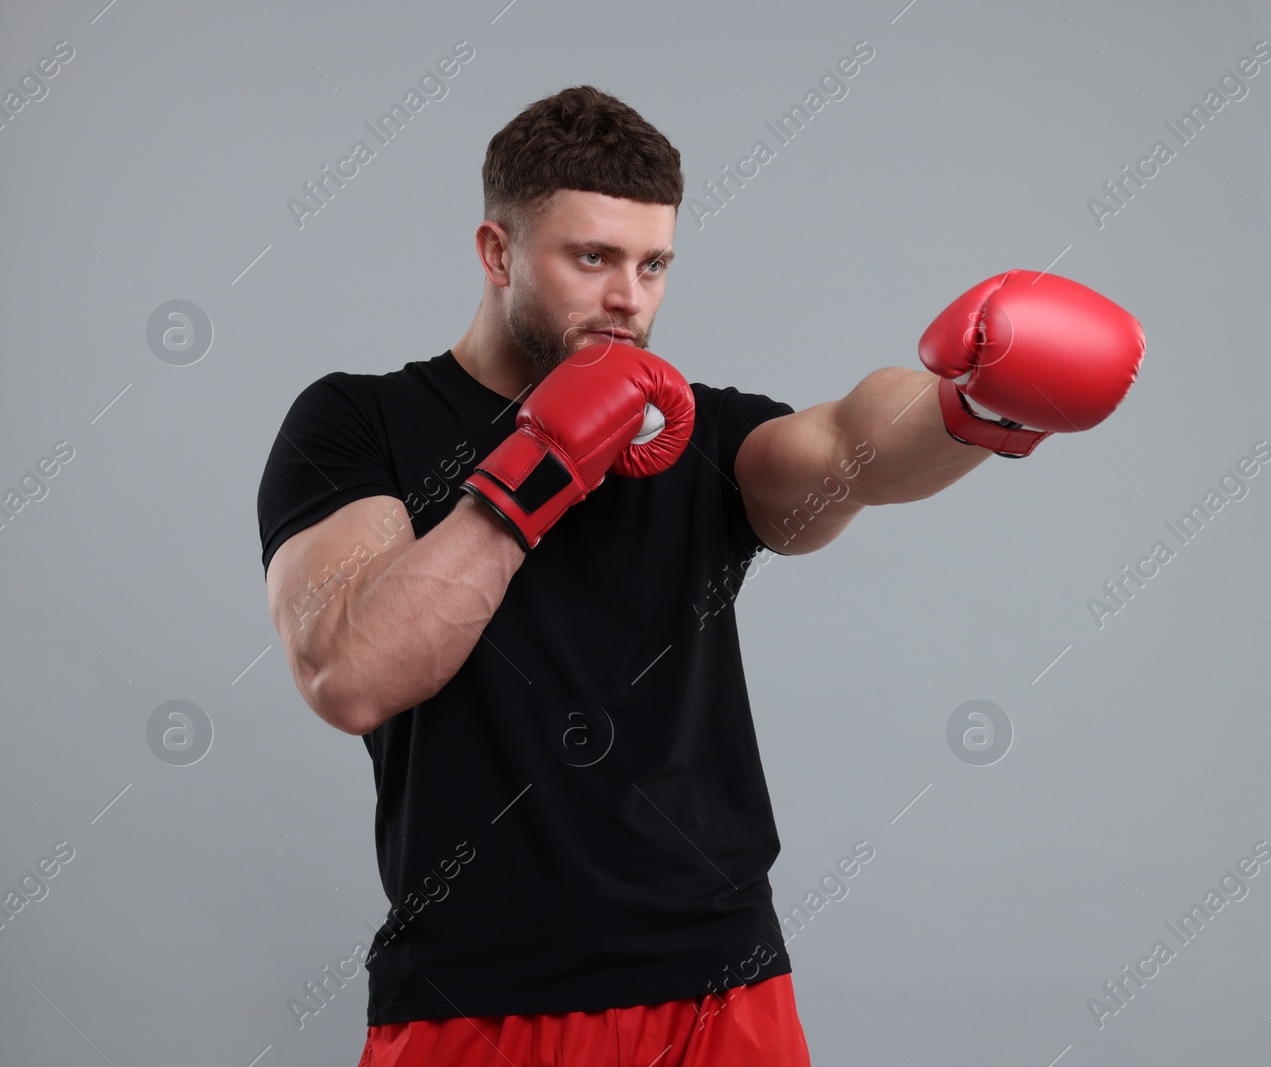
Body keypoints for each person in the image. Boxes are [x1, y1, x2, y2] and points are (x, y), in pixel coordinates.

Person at [256, 85, 1145, 1067]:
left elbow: (851, 440)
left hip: (721, 991)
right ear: (497, 251)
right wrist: (537, 465)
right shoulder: (358, 422)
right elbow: (351, 672)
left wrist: (973, 404)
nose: (629, 298)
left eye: (653, 263)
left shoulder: (695, 433)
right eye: (591, 257)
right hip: (476, 999)